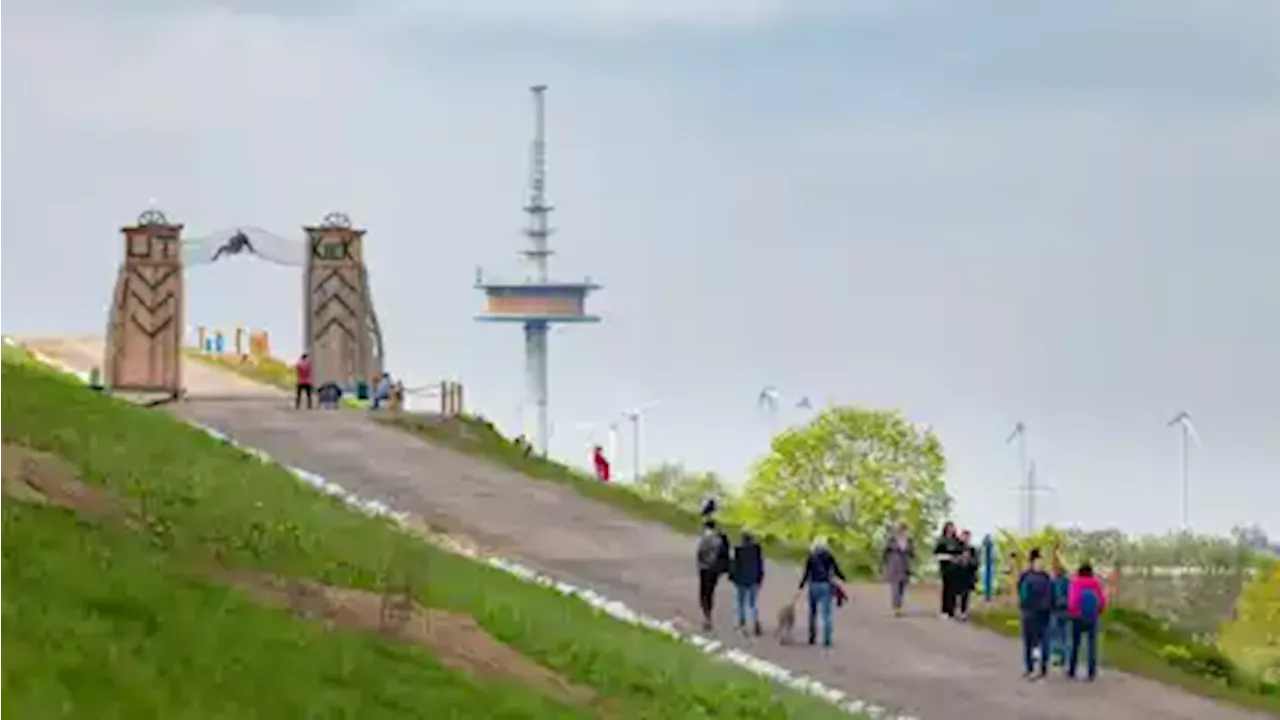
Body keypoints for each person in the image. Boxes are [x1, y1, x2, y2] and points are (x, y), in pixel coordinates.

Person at [798, 536, 846, 647]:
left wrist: (801, 586)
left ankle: (812, 636)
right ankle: (827, 639)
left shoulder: (811, 556)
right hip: (825, 585)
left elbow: (806, 572)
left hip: (813, 585)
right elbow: (836, 569)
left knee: (812, 612)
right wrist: (844, 578)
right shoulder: (829, 556)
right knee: (826, 614)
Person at [1017, 548, 1055, 680]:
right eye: (1039, 561)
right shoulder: (1045, 577)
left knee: (1034, 642)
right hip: (1037, 613)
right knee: (1036, 642)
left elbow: (1022, 594)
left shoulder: (1026, 576)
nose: (1041, 564)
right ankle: (1035, 668)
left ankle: (1034, 668)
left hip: (1036, 613)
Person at [1066, 563, 1107, 681]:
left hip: (1078, 617)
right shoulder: (1096, 583)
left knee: (1075, 644)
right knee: (1091, 645)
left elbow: (1072, 601)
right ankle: (1091, 672)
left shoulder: (1075, 582)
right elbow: (1102, 600)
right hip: (1092, 617)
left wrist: (1073, 612)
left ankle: (1072, 670)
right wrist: (1098, 611)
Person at [695, 519, 731, 631]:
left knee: (703, 593)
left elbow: (700, 553)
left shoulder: (705, 538)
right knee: (710, 592)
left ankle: (707, 616)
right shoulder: (719, 538)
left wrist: (700, 564)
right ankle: (708, 614)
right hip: (715, 569)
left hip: (705, 568)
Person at [730, 531, 765, 636]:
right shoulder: (757, 550)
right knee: (753, 603)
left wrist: (732, 577)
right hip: (753, 579)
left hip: (740, 580)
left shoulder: (738, 550)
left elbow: (734, 566)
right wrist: (760, 578)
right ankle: (755, 621)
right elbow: (760, 565)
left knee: (740, 603)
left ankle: (742, 623)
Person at [881, 520, 915, 617]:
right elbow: (885, 552)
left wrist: (912, 557)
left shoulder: (909, 540)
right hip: (894, 565)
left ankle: (899, 604)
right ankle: (896, 608)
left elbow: (912, 552)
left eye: (904, 528)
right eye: (901, 528)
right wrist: (883, 564)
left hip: (905, 565)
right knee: (895, 586)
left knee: (902, 587)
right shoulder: (892, 539)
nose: (902, 530)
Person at [933, 522, 964, 618]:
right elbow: (936, 554)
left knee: (954, 589)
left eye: (952, 528)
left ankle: (952, 610)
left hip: (956, 568)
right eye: (949, 528)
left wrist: (959, 558)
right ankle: (945, 610)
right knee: (947, 589)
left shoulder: (957, 541)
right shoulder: (942, 541)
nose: (951, 529)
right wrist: (948, 557)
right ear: (945, 529)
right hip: (946, 567)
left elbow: (962, 551)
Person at [1049, 554, 1072, 666]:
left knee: (1055, 635)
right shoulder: (1069, 582)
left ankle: (1057, 657)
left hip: (1055, 611)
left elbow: (1050, 596)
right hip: (1067, 611)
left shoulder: (1053, 582)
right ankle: (1065, 657)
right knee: (1065, 635)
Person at [955, 529, 979, 620]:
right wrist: (959, 559)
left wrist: (969, 560)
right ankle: (957, 609)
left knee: (966, 593)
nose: (965, 538)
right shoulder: (957, 548)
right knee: (957, 593)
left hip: (968, 574)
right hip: (958, 573)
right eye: (964, 536)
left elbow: (976, 562)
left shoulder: (972, 549)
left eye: (967, 537)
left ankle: (963, 611)